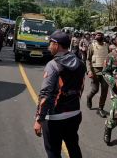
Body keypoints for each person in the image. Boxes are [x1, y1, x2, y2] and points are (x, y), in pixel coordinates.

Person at [34, 30, 86, 158]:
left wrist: (39, 119)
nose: (49, 46)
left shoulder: (52, 65)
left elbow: (45, 94)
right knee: (73, 147)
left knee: (53, 152)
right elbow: (81, 87)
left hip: (55, 118)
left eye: (50, 43)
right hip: (74, 114)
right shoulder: (80, 63)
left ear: (56, 44)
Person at [86, 30, 109, 118]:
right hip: (95, 72)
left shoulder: (107, 46)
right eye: (97, 34)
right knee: (95, 90)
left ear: (103, 36)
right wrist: (89, 71)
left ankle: (100, 108)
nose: (98, 35)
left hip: (105, 71)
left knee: (104, 90)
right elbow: (88, 59)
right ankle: (89, 97)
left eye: (100, 34)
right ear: (95, 36)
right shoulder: (92, 46)